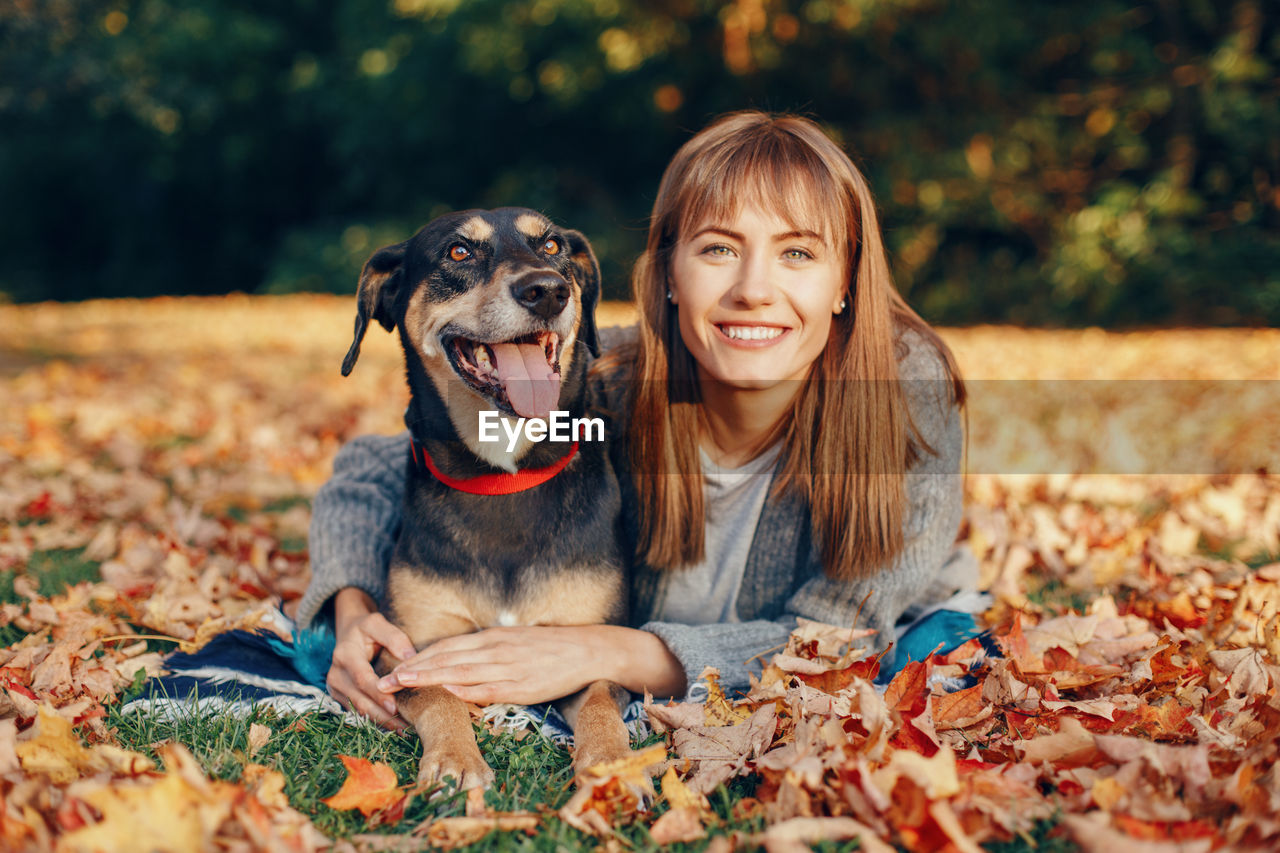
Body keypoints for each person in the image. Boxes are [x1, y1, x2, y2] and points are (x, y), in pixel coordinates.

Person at [295, 111, 972, 730]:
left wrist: (609, 651)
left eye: (798, 252)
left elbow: (840, 639)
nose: (755, 289)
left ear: (846, 278)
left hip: (894, 625)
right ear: (670, 273)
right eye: (718, 249)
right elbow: (381, 465)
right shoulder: (611, 384)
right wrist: (352, 607)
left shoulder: (906, 399)